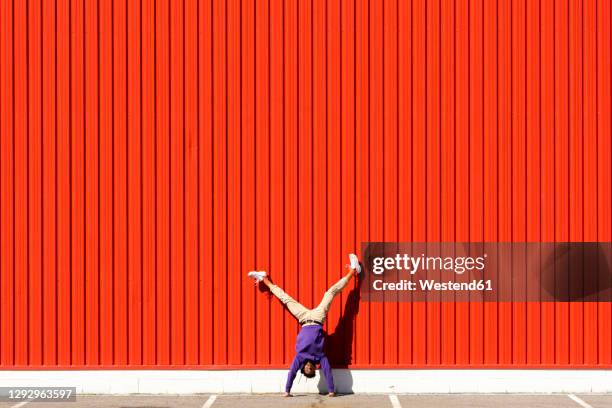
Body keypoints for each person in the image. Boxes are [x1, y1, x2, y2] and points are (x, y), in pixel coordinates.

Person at [247, 254, 361, 397]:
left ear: (303, 368)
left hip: (304, 318)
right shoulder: (321, 357)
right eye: (311, 369)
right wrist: (331, 391)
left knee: (285, 298)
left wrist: (287, 391)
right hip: (318, 319)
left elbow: (292, 373)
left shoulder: (299, 358)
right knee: (330, 293)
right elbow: (327, 371)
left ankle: (264, 278)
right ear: (314, 369)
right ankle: (353, 271)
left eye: (306, 369)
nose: (308, 367)